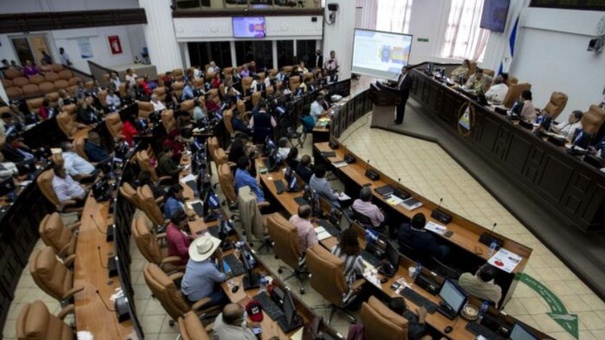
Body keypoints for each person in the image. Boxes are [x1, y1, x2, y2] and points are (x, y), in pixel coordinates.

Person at [180, 234, 229, 307]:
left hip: (187, 293)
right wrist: (220, 259)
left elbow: (209, 264)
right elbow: (222, 278)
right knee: (227, 295)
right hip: (197, 300)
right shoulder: (208, 268)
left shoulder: (192, 259)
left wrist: (213, 257)